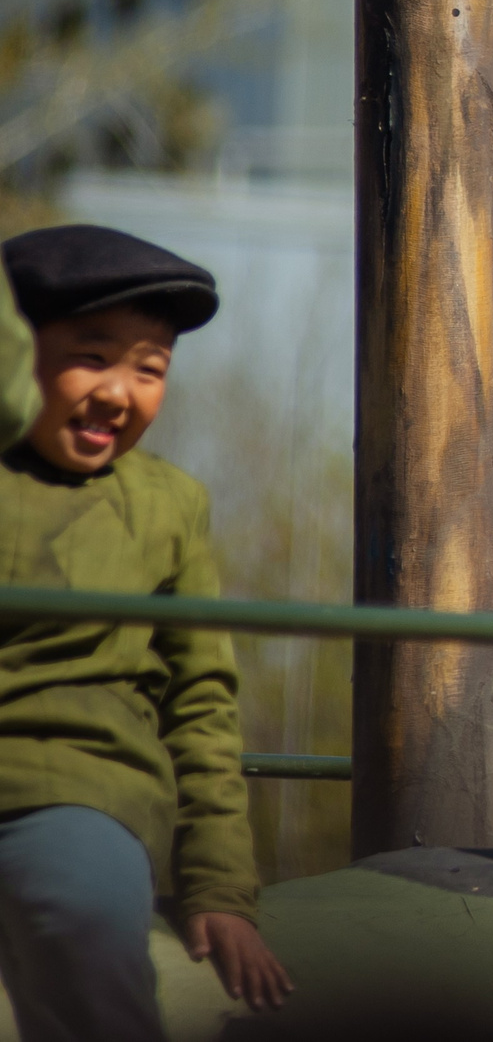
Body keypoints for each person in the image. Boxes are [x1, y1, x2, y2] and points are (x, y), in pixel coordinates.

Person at [0, 224, 293, 1041]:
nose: (120, 394)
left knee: (81, 922)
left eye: (150, 370)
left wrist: (220, 890)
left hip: (69, 794)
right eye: (91, 357)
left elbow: (201, 707)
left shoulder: (169, 506)